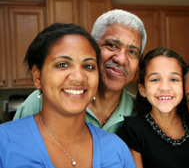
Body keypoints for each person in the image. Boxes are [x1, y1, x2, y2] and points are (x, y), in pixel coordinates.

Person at [0, 23, 136, 168]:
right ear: (37, 76)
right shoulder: (4, 143)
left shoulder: (117, 149)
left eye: (88, 66)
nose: (78, 77)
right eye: (62, 64)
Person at [13, 9, 147, 133]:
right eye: (112, 45)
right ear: (92, 49)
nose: (121, 59)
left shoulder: (141, 111)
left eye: (132, 52)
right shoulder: (43, 101)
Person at [117, 48, 189, 168]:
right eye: (155, 79)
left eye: (174, 79)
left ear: (185, 86)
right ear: (143, 90)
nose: (165, 88)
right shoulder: (134, 130)